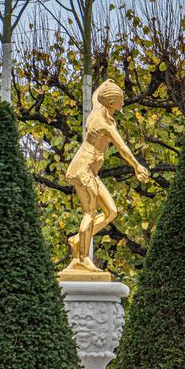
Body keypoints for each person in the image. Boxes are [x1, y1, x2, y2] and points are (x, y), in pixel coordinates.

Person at [63, 79, 149, 276]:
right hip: (82, 170)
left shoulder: (99, 108)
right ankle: (82, 259)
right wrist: (136, 166)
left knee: (111, 211)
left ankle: (77, 240)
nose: (123, 102)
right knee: (89, 213)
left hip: (90, 172)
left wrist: (105, 83)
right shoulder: (103, 124)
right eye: (120, 99)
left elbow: (95, 95)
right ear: (111, 102)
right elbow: (122, 147)